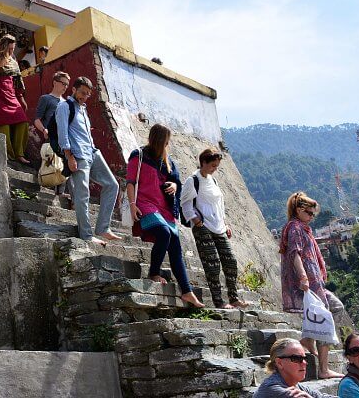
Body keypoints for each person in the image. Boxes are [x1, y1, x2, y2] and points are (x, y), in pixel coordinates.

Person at [127, 123, 204, 308]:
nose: (167, 145)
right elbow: (130, 182)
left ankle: (187, 292)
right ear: (159, 140)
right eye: (166, 142)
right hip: (145, 204)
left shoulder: (169, 162)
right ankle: (154, 272)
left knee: (176, 249)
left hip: (165, 209)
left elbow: (176, 182)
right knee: (164, 233)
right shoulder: (138, 155)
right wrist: (132, 205)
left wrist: (175, 186)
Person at [279, 191, 343, 380]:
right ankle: (324, 368)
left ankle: (308, 339)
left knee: (334, 308)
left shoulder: (302, 227)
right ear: (299, 209)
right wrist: (303, 277)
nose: (312, 217)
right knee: (324, 317)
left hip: (315, 279)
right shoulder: (295, 228)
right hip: (309, 279)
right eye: (309, 213)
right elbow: (295, 254)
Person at [55, 76, 121, 247]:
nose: (85, 97)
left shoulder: (83, 109)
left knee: (112, 185)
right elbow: (63, 134)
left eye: (88, 94)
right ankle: (86, 235)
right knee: (83, 194)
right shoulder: (64, 106)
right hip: (78, 155)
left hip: (93, 152)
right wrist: (69, 157)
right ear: (74, 89)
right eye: (82, 93)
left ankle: (102, 228)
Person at [180, 148, 248, 310]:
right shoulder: (193, 180)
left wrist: (225, 224)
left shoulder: (213, 181)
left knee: (230, 261)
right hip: (203, 226)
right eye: (212, 165)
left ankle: (233, 297)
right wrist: (196, 221)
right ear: (203, 163)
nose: (214, 169)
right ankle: (218, 300)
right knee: (213, 264)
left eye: (216, 166)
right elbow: (185, 203)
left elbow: (219, 205)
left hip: (219, 227)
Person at [0, 35, 30, 164]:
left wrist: (21, 98)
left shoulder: (13, 61)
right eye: (9, 49)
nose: (11, 51)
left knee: (22, 121)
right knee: (3, 124)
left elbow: (18, 80)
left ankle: (19, 153)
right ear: (3, 47)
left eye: (13, 49)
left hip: (11, 95)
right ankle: (8, 154)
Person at [255, 338, 337, 397]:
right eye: (297, 359)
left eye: (305, 358)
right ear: (279, 363)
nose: (305, 363)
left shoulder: (297, 386)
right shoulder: (273, 389)